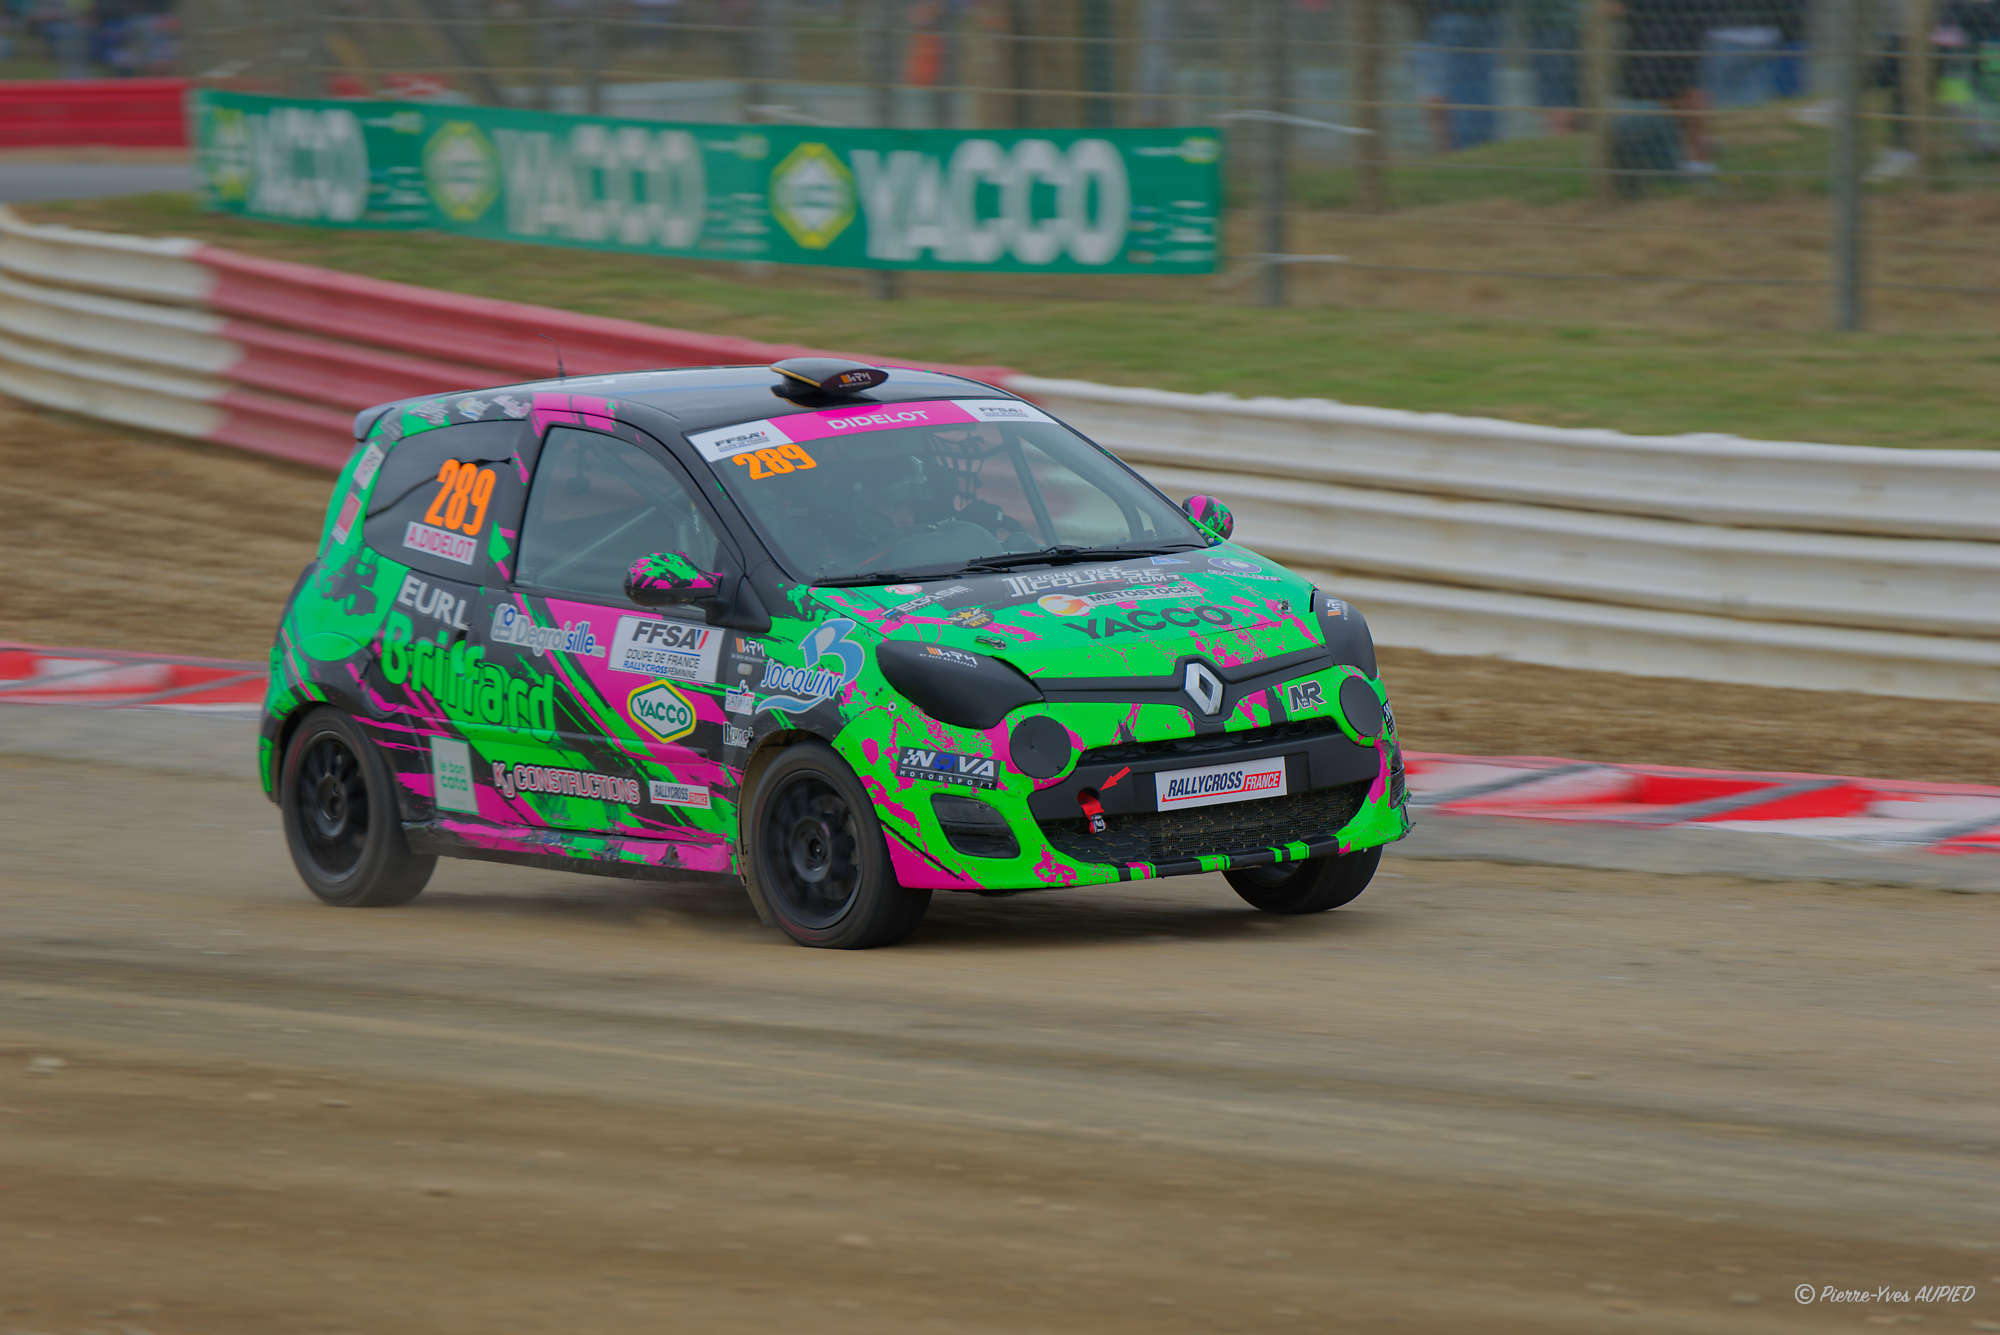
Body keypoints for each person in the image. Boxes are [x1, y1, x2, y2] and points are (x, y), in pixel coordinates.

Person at [1617, 0, 1716, 174]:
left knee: (1682, 90)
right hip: (1656, 23)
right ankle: (1689, 156)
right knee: (1670, 91)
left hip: (1668, 22)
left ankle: (1698, 160)